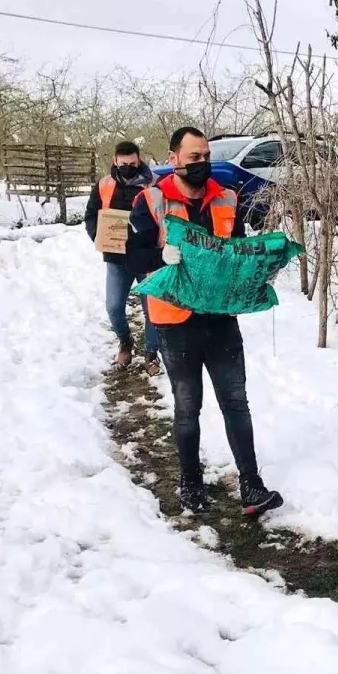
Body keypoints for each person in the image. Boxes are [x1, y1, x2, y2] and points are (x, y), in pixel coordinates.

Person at [126, 126, 283, 518]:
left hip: (220, 318)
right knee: (187, 405)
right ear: (174, 157)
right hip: (174, 321)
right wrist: (159, 255)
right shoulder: (152, 200)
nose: (200, 164)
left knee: (236, 402)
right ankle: (191, 482)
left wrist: (258, 269)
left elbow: (237, 251)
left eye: (205, 157)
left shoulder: (228, 197)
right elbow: (132, 256)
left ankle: (251, 484)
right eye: (193, 157)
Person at [84, 140, 159, 372]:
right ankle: (125, 342)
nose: (128, 167)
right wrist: (99, 236)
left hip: (146, 257)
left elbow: (164, 217)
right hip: (116, 257)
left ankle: (151, 353)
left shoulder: (154, 184)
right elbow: (91, 215)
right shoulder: (104, 185)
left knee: (152, 309)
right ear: (115, 161)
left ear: (139, 160)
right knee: (114, 306)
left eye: (133, 163)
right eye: (123, 163)